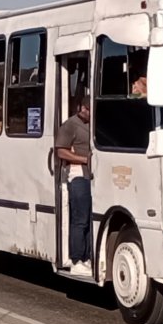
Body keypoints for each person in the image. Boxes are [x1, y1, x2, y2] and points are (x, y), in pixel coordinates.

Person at [55, 95, 92, 276]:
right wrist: (84, 160)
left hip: (92, 176)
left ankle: (88, 257)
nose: (87, 113)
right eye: (86, 109)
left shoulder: (93, 125)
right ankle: (77, 259)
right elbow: (61, 151)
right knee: (80, 219)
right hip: (77, 176)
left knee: (90, 219)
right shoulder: (70, 125)